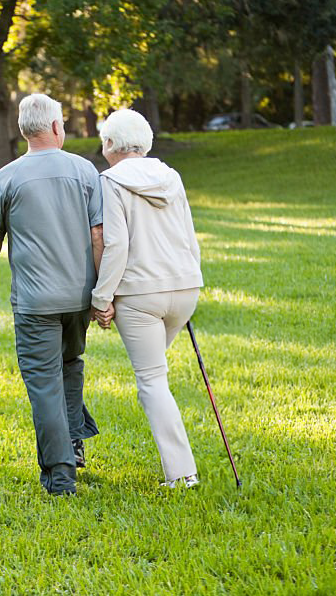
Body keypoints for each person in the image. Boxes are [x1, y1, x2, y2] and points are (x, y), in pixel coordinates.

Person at [0, 93, 103, 496]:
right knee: (70, 364)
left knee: (45, 382)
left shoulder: (8, 176)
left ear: (23, 130)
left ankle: (61, 475)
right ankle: (74, 444)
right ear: (55, 127)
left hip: (35, 303)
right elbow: (100, 236)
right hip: (80, 298)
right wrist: (102, 290)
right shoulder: (85, 171)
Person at [91, 108, 203, 489]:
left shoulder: (110, 180)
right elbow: (190, 235)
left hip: (141, 294)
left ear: (109, 144)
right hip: (185, 289)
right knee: (157, 377)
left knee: (152, 381)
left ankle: (182, 474)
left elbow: (114, 242)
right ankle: (181, 469)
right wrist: (192, 279)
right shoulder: (171, 177)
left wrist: (101, 297)